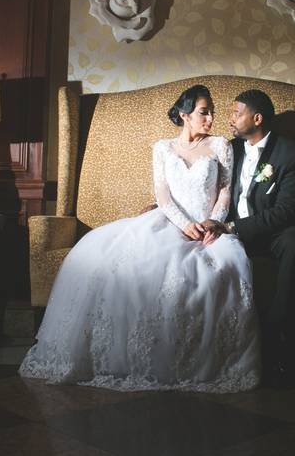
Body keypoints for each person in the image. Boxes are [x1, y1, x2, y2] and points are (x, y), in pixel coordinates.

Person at [19, 84, 260, 392]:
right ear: (185, 114)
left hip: (208, 224)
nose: (211, 118)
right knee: (109, 258)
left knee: (223, 264)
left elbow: (225, 191)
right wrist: (185, 225)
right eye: (204, 112)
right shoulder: (162, 147)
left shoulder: (221, 146)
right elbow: (162, 195)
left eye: (212, 111)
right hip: (169, 220)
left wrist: (212, 221)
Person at [204, 89, 295, 385]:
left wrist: (235, 229)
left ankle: (280, 338)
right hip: (231, 229)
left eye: (236, 114)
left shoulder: (293, 154)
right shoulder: (230, 149)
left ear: (257, 118)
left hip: (273, 232)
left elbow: (286, 211)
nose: (229, 120)